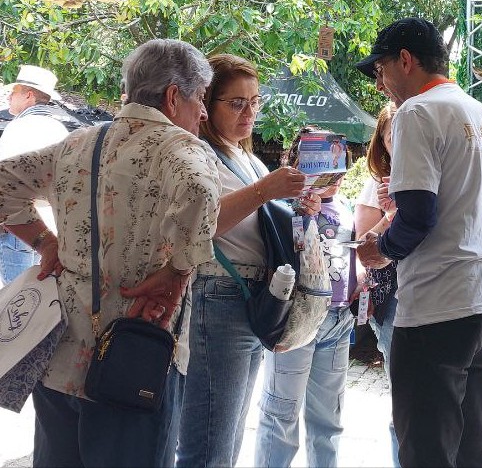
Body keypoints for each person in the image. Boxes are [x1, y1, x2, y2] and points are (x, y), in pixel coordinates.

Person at [0, 38, 222, 467]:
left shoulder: (78, 143)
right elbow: (199, 191)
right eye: (200, 98)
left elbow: (3, 183)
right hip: (133, 361)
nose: (203, 112)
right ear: (173, 96)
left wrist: (45, 241)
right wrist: (179, 271)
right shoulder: (181, 147)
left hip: (60, 353)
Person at [355, 17, 482, 467]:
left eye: (381, 70)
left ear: (405, 60)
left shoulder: (416, 112)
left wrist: (379, 251)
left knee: (427, 451)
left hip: (439, 308)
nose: (380, 84)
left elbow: (418, 216)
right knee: (476, 449)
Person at [176, 53, 312, 468]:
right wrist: (266, 190)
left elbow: (260, 221)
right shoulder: (198, 153)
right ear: (206, 104)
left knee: (229, 435)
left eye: (255, 102)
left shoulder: (245, 157)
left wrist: (300, 206)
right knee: (210, 442)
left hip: (251, 296)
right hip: (217, 294)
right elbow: (203, 223)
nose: (249, 113)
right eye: (236, 103)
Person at [254, 127, 357, 468]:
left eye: (340, 167)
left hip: (338, 318)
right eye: (326, 166)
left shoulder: (346, 206)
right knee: (280, 414)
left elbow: (351, 255)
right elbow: (285, 252)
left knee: (328, 420)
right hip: (297, 318)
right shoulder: (283, 206)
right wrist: (303, 214)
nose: (335, 176)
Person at [0, 65, 69, 285]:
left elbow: (4, 184)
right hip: (51, 224)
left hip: (20, 227)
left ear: (29, 95)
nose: (9, 97)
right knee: (39, 289)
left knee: (18, 291)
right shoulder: (60, 129)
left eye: (14, 92)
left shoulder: (20, 128)